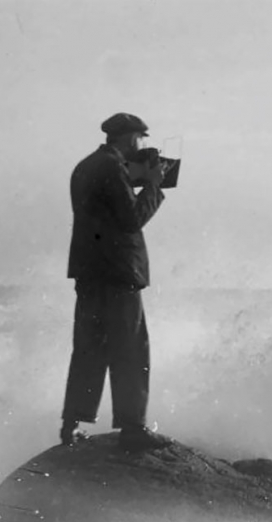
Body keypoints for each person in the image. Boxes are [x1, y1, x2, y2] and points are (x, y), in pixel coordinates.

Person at [60, 112, 172, 452]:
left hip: (90, 272)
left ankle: (71, 425)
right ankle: (133, 429)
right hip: (118, 273)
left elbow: (106, 211)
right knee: (131, 349)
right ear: (129, 138)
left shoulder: (86, 166)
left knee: (89, 348)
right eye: (141, 139)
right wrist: (152, 184)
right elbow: (131, 219)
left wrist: (131, 179)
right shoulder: (111, 168)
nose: (142, 145)